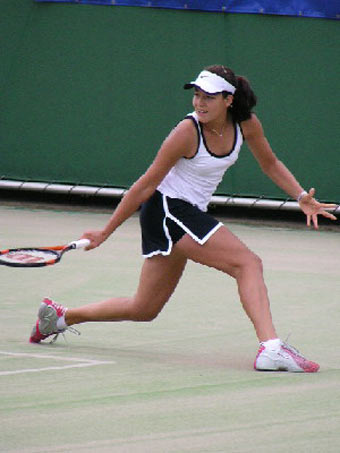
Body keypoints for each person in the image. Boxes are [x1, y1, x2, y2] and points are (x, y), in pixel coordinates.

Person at [29, 65, 336, 372]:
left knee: (144, 308)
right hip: (167, 209)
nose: (200, 103)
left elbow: (270, 163)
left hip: (184, 213)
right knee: (248, 263)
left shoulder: (246, 124)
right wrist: (106, 231)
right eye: (197, 95)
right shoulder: (186, 132)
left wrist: (300, 196)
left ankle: (59, 316)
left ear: (228, 100)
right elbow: (146, 184)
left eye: (209, 97)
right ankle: (271, 348)